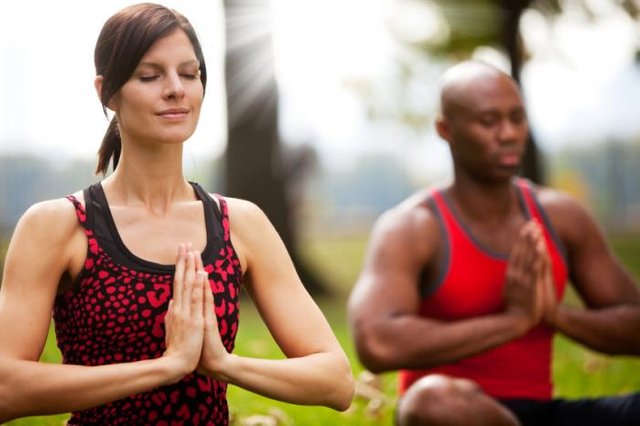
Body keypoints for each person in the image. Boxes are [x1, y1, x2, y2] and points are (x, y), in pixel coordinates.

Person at [0, 3, 353, 424]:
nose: (175, 89)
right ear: (106, 92)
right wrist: (167, 366)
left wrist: (222, 363)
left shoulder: (240, 223)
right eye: (150, 76)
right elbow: (6, 389)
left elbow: (336, 381)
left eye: (189, 74)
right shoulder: (58, 225)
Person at [347, 60, 640, 426]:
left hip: (545, 412)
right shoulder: (411, 227)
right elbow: (377, 342)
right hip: (456, 412)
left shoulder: (561, 216)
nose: (508, 133)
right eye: (489, 121)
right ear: (445, 129)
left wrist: (556, 315)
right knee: (430, 401)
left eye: (517, 118)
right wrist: (513, 321)